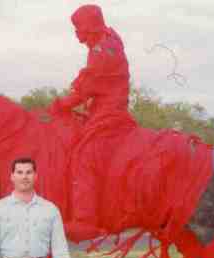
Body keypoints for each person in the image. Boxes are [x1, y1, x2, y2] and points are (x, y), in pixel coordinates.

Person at [49, 4, 137, 242]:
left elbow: (88, 87)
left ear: (91, 27)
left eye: (81, 32)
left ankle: (85, 220)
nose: (79, 39)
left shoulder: (102, 50)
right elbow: (89, 78)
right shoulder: (107, 43)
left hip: (109, 115)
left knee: (83, 157)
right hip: (100, 111)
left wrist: (62, 104)